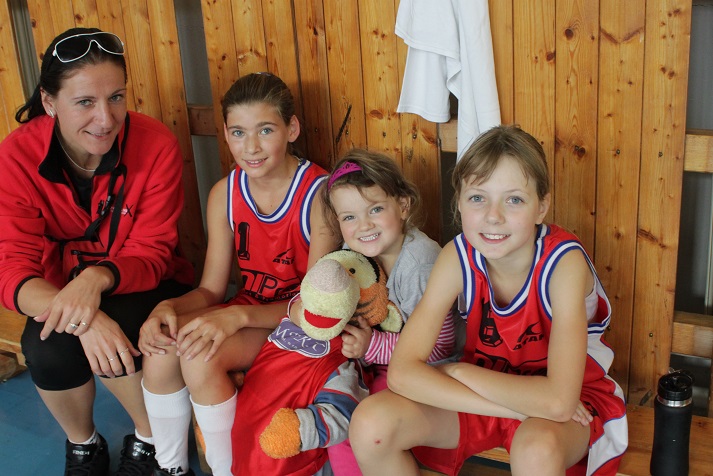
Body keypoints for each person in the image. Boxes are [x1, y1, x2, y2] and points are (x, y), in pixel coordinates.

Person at [348, 125, 628, 476]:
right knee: (370, 425)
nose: (494, 216)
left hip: (572, 404)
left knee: (536, 451)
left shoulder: (563, 264)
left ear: (541, 207)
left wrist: (458, 370)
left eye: (514, 200)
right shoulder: (457, 256)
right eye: (478, 198)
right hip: (489, 393)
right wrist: (514, 409)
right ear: (459, 203)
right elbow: (402, 374)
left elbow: (559, 402)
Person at [0, 27, 195, 476]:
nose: (106, 119)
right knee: (45, 346)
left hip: (143, 282)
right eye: (85, 102)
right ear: (49, 102)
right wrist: (83, 317)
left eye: (116, 98)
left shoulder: (155, 143)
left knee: (123, 326)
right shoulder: (16, 156)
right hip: (61, 292)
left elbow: (152, 253)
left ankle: (152, 439)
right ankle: (83, 444)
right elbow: (12, 271)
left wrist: (95, 279)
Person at [139, 72, 339, 476]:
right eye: (238, 133)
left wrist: (238, 316)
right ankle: (171, 467)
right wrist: (169, 308)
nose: (251, 147)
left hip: (300, 325)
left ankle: (226, 471)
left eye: (265, 130)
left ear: (291, 129)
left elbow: (315, 307)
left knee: (200, 357)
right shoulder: (224, 193)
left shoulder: (319, 194)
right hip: (248, 312)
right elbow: (212, 289)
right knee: (161, 348)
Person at [320, 150, 461, 475]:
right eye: (349, 217)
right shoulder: (350, 255)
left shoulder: (420, 264)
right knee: (337, 415)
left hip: (430, 371)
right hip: (376, 365)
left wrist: (371, 346)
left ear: (403, 205)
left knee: (359, 420)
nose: (364, 225)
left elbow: (441, 348)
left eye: (376, 209)